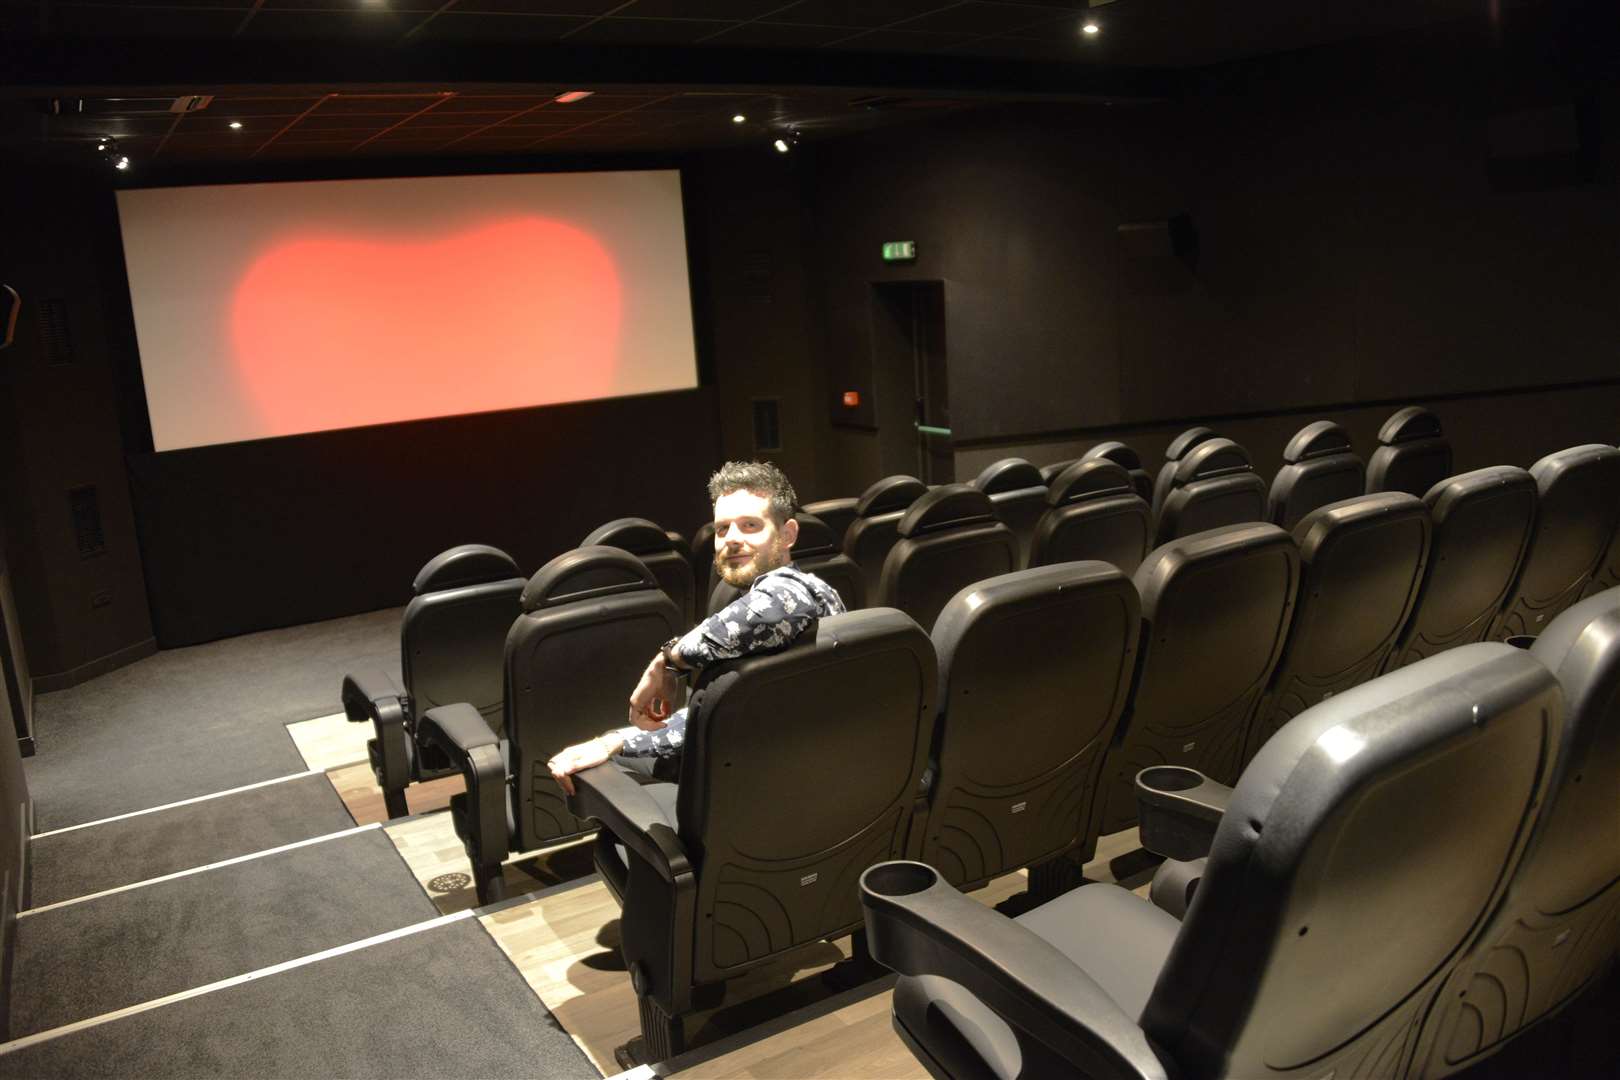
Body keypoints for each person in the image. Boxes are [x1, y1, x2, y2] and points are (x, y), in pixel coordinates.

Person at [548, 461, 846, 794]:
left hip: (766, 789)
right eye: (722, 529)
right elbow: (718, 717)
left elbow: (770, 610)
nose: (731, 539)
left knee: (597, 771)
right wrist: (615, 740)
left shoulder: (794, 593)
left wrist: (667, 661)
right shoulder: (795, 601)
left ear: (788, 534)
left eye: (750, 525)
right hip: (790, 774)